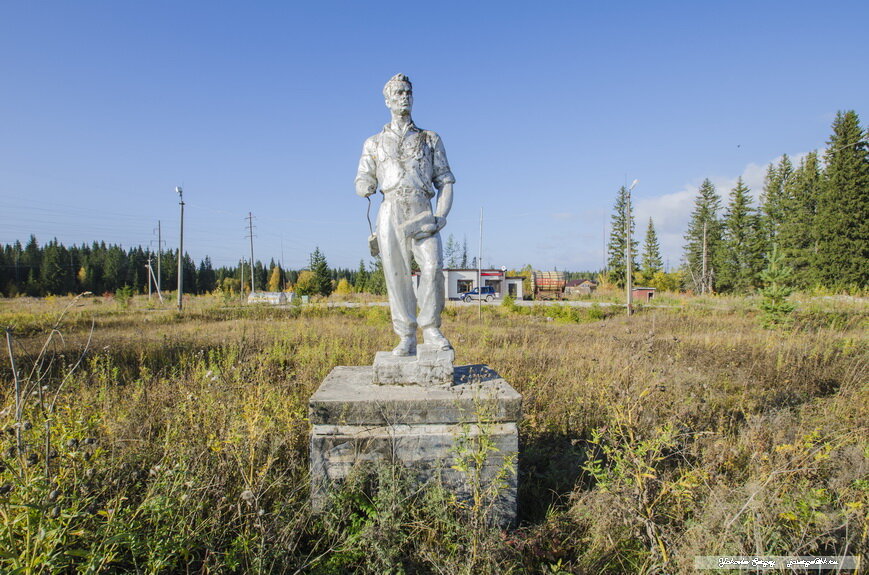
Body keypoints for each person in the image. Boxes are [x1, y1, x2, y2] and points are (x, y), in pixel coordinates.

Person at [355, 74, 454, 356]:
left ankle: (431, 328)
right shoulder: (374, 143)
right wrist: (364, 185)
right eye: (398, 93)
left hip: (422, 208)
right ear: (387, 100)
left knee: (432, 267)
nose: (404, 97)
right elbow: (362, 176)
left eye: (408, 92)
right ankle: (406, 335)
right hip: (390, 208)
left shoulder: (429, 138)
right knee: (396, 274)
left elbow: (446, 180)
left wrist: (441, 216)